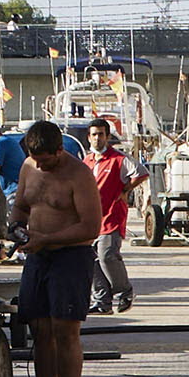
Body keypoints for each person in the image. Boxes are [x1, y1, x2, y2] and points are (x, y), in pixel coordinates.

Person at [12, 121, 97, 377]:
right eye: (36, 160)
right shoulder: (28, 167)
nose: (40, 166)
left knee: (65, 330)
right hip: (38, 256)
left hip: (71, 256)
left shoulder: (79, 175)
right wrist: (17, 228)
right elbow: (21, 205)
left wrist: (47, 238)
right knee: (40, 330)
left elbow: (91, 226)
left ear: (60, 151)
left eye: (46, 161)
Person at [82, 117, 145, 314]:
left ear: (107, 136)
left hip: (111, 217)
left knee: (107, 256)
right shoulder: (86, 161)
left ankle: (124, 290)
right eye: (94, 135)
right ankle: (102, 302)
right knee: (91, 260)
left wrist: (125, 190)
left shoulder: (118, 159)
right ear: (88, 137)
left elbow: (141, 173)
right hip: (90, 220)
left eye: (101, 134)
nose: (97, 138)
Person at [0, 119, 29, 242]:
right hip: (21, 187)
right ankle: (21, 249)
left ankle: (21, 249)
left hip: (13, 188)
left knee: (15, 223)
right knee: (21, 221)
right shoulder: (9, 141)